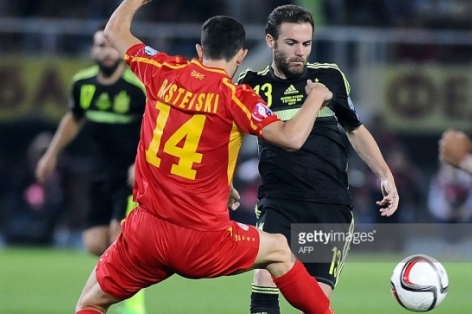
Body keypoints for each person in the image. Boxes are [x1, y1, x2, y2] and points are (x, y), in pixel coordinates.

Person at [74, 0, 336, 314]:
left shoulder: (162, 70)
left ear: (200, 50)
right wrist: (316, 98)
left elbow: (114, 30)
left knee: (90, 303)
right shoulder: (236, 98)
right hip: (202, 240)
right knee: (279, 249)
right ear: (241, 56)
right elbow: (291, 138)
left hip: (146, 232)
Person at [237, 5, 399, 314]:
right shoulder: (252, 84)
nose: (301, 52)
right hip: (278, 203)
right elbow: (230, 137)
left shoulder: (329, 77)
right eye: (292, 43)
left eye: (306, 43)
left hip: (328, 207)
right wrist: (223, 181)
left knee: (315, 304)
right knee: (263, 287)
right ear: (270, 41)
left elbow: (355, 129)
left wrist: (385, 174)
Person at [35, 23, 147, 314]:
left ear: (119, 51)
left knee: (118, 239)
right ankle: (120, 289)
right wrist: (51, 155)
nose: (106, 52)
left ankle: (133, 306)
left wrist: (140, 162)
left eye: (110, 46)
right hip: (99, 174)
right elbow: (73, 120)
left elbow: (154, 128)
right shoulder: (84, 85)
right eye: (100, 46)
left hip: (129, 175)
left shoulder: (137, 89)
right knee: (94, 243)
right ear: (92, 51)